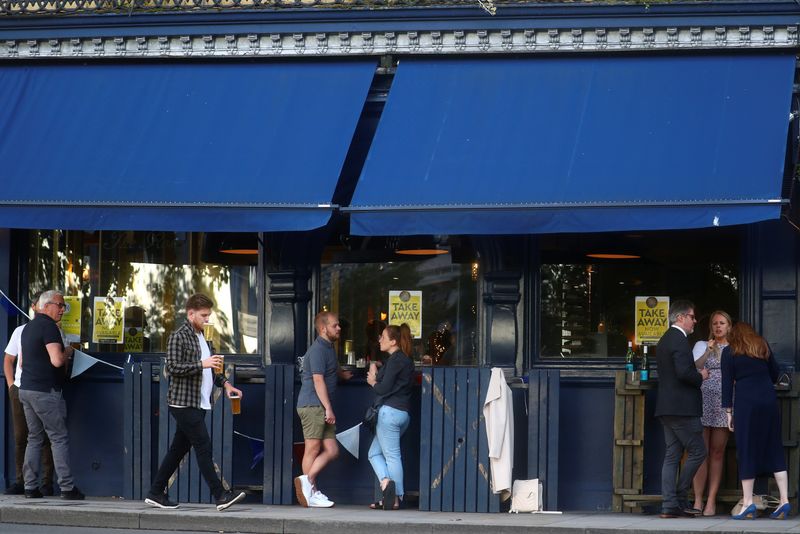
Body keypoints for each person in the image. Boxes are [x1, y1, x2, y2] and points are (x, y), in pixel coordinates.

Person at [145, 294, 245, 512]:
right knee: (203, 446)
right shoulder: (178, 336)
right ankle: (220, 495)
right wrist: (202, 363)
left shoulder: (204, 337)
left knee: (177, 450)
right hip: (182, 403)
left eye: (209, 315)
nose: (207, 319)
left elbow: (213, 369)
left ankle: (155, 492)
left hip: (200, 403)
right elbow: (172, 368)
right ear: (191, 314)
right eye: (203, 315)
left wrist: (227, 385)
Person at [17, 290, 83, 500]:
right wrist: (69, 351)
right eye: (60, 305)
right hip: (45, 391)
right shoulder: (49, 327)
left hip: (26, 388)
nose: (63, 309)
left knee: (34, 438)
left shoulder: (28, 327)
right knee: (58, 437)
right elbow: (57, 360)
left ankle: (30, 487)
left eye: (64, 306)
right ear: (46, 306)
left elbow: (21, 361)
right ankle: (67, 488)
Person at [721, 322, 790, 520]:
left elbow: (727, 384)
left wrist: (728, 413)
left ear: (734, 335)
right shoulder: (762, 345)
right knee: (774, 447)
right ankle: (784, 501)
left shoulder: (729, 351)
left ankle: (748, 502)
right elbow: (775, 373)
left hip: (746, 403)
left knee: (746, 448)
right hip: (768, 400)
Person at [654, 299, 709, 518]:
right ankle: (677, 496)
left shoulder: (666, 339)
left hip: (667, 407)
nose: (695, 321)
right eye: (692, 317)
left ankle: (669, 506)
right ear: (680, 318)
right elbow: (684, 373)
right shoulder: (679, 339)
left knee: (672, 455)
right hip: (683, 409)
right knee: (698, 451)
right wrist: (701, 376)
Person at [294, 311, 352, 508]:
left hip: (320, 406)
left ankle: (307, 483)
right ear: (323, 328)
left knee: (332, 450)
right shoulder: (318, 349)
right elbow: (318, 380)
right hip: (313, 405)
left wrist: (342, 375)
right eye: (335, 325)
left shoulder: (329, 348)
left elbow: (331, 369)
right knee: (313, 448)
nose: (339, 328)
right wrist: (328, 408)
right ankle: (311, 489)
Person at [3, 291, 56, 496]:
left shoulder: (54, 331)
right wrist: (10, 385)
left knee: (46, 438)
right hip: (20, 388)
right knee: (21, 437)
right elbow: (8, 359)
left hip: (44, 388)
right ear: (35, 306)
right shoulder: (20, 330)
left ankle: (45, 482)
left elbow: (62, 357)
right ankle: (21, 480)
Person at [366, 323, 414, 510]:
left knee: (392, 456)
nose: (379, 340)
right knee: (374, 453)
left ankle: (393, 499)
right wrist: (378, 366)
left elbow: (383, 388)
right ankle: (387, 486)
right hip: (403, 414)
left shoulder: (395, 360)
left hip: (389, 413)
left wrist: (372, 382)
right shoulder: (405, 360)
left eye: (383, 337)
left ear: (393, 341)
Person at [690, 310, 733, 516]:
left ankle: (711, 501)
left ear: (729, 326)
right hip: (702, 398)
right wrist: (708, 350)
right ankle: (698, 500)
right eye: (715, 323)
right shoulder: (701, 345)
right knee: (701, 452)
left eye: (722, 323)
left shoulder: (735, 348)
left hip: (724, 401)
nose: (718, 327)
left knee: (717, 452)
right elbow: (694, 367)